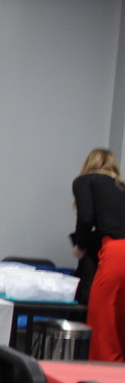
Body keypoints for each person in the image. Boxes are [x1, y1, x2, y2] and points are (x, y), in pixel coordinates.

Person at [72, 148, 125, 362]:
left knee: (102, 316)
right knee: (120, 318)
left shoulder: (85, 180)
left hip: (117, 251)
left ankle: (104, 379)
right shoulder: (121, 187)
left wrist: (81, 245)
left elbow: (86, 218)